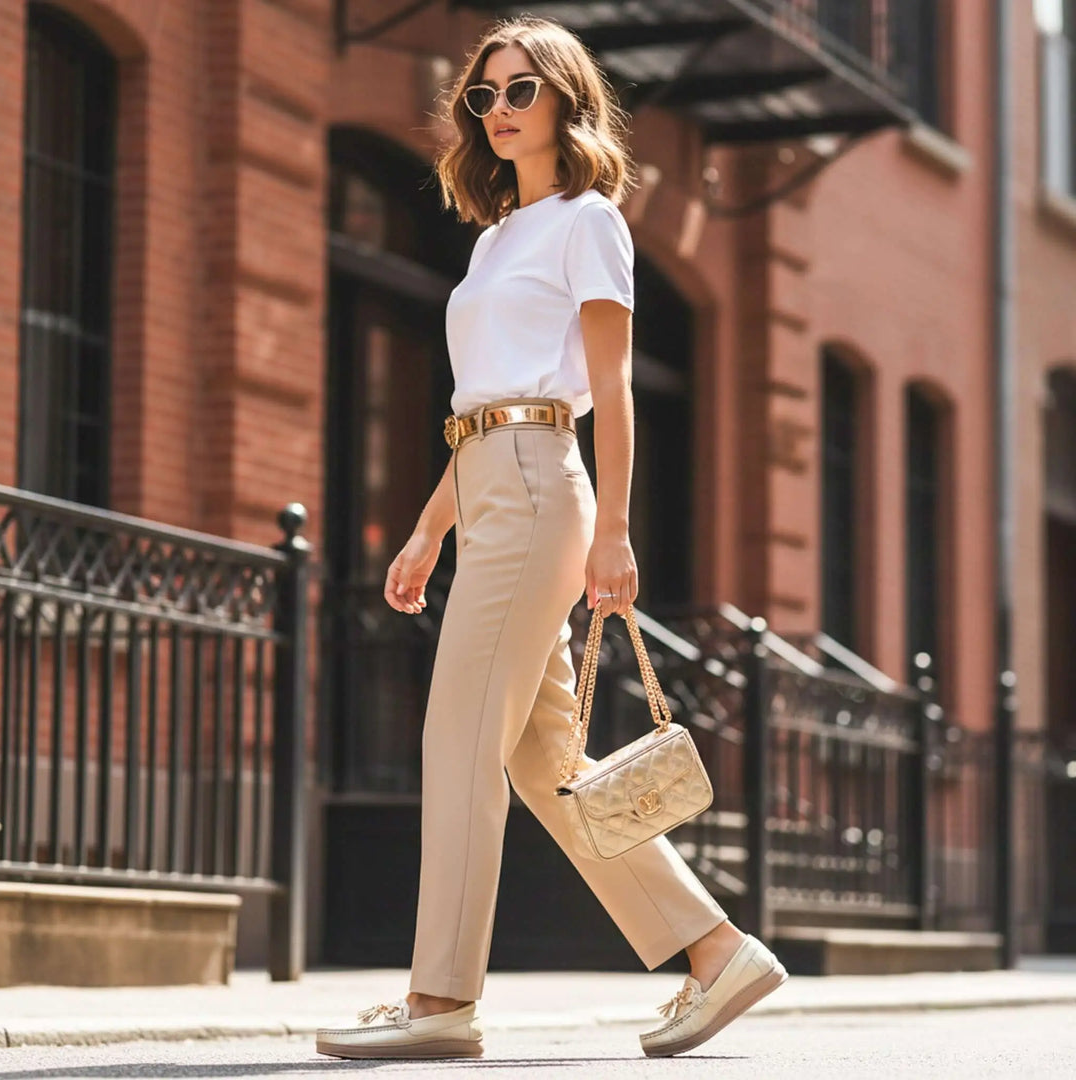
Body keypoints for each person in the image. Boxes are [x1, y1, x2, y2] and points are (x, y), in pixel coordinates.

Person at [315, 14, 786, 1062]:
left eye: (521, 89)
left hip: (540, 491)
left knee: (456, 739)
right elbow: (483, 403)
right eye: (484, 95)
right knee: (545, 765)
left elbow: (601, 395)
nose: (499, 110)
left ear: (567, 99)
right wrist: (430, 528)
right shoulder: (493, 242)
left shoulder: (590, 222)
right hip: (485, 483)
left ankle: (441, 1002)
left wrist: (614, 533)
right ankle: (718, 953)